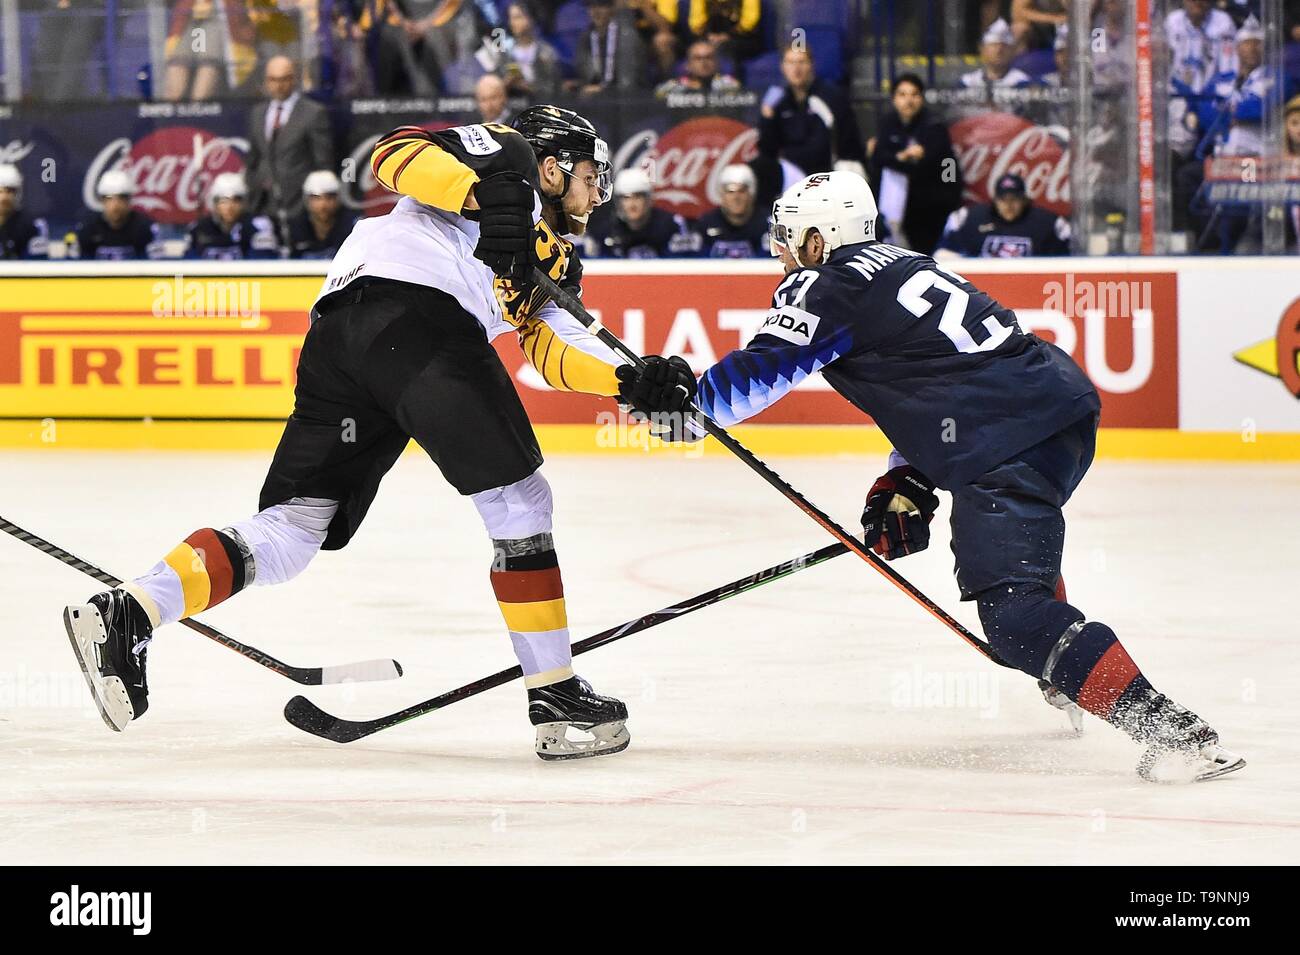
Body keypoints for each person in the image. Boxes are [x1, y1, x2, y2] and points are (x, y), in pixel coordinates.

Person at [64, 106, 654, 763]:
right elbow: (394, 151)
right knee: (520, 502)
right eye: (587, 174)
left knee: (293, 529)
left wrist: (631, 381)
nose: (596, 190)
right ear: (551, 166)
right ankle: (555, 696)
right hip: (417, 316)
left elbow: (549, 348)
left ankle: (129, 612)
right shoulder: (508, 152)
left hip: (346, 338)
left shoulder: (556, 257)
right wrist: (482, 189)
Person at [620, 171, 1244, 783]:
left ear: (819, 241)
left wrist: (682, 409)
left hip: (1009, 441)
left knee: (1015, 623)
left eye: (792, 238)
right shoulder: (901, 263)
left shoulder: (825, 284)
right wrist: (910, 477)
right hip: (1057, 412)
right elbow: (939, 376)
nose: (781, 252)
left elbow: (759, 375)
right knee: (1018, 580)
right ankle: (1066, 656)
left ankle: (1173, 731)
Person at [867, 73, 964, 255]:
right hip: (895, 204)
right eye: (902, 95)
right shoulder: (888, 123)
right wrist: (903, 157)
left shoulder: (934, 125)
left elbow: (931, 163)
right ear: (894, 99)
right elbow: (878, 157)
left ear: (921, 98)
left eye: (914, 95)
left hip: (930, 202)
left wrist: (896, 158)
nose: (908, 101)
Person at [245, 57, 336, 227]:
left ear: (293, 79)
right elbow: (253, 159)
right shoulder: (258, 113)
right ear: (266, 81)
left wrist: (314, 200)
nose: (278, 85)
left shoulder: (313, 113)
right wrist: (254, 187)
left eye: (284, 79)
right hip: (263, 204)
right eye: (273, 79)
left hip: (300, 205)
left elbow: (323, 162)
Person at [758, 45, 868, 180]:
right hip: (793, 174)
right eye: (790, 62)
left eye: (801, 62)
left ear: (811, 65)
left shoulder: (831, 97)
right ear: (782, 67)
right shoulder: (779, 102)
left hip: (831, 171)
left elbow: (836, 145)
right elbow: (768, 150)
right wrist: (767, 118)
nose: (796, 69)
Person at [936, 174, 1069, 258]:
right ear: (994, 200)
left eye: (1014, 199)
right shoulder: (968, 218)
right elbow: (942, 254)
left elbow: (1068, 260)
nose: (1009, 205)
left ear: (1024, 200)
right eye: (1003, 200)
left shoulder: (1048, 223)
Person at [586, 167, 699, 257]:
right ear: (618, 202)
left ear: (649, 199)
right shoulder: (605, 232)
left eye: (638, 197)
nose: (632, 204)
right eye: (626, 198)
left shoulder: (672, 227)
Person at [186, 173, 281, 259]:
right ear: (215, 203)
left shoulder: (258, 225)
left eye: (236, 200)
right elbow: (187, 267)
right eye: (224, 201)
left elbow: (264, 266)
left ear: (244, 202)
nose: (229, 207)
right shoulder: (198, 229)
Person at [74, 170, 160, 261]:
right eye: (109, 198)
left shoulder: (145, 228)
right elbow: (74, 268)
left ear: (129, 200)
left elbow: (156, 267)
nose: (116, 204)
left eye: (121, 198)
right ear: (102, 201)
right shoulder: (87, 228)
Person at [569, 0, 649, 95]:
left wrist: (603, 89)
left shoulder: (627, 37)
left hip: (626, 98)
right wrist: (578, 85)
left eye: (602, 6)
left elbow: (629, 82)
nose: (596, 11)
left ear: (612, 9)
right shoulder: (586, 38)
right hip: (595, 96)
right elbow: (589, 77)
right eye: (592, 7)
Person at [693, 164, 769, 257]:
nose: (736, 197)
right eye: (730, 192)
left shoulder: (767, 224)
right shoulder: (706, 224)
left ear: (751, 194)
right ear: (721, 195)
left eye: (741, 191)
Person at [286, 170, 357, 259]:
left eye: (329, 197)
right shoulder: (294, 227)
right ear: (307, 200)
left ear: (338, 199)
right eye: (317, 198)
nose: (323, 204)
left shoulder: (353, 226)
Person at [654, 39, 742, 97]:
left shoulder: (729, 86)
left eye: (709, 57)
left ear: (717, 63)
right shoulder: (672, 88)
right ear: (688, 65)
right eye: (697, 58)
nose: (704, 63)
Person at [961, 18, 1032, 90]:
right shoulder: (968, 82)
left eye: (1004, 46)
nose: (999, 50)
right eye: (994, 45)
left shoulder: (1022, 82)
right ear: (982, 49)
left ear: (1012, 51)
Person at [0, 164, 50, 260]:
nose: (4, 198)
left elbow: (36, 268)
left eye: (10, 191)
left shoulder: (33, 225)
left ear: (18, 193)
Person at [688, 0, 761, 64]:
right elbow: (695, 25)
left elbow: (750, 22)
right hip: (710, 36)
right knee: (700, 49)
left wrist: (727, 35)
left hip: (742, 38)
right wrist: (709, 35)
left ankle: (727, 78)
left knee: (724, 48)